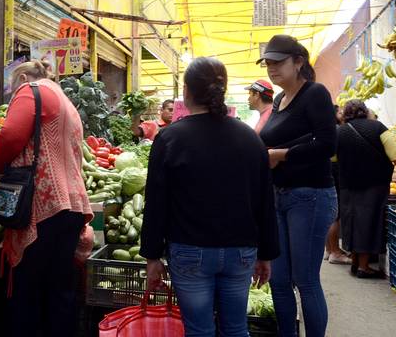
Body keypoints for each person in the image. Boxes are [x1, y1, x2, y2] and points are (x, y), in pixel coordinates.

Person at [141, 57, 279, 336]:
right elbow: (265, 200)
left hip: (190, 251)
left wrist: (152, 256)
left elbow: (156, 202)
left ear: (187, 91)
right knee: (236, 328)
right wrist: (267, 253)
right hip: (241, 251)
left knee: (199, 330)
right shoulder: (250, 139)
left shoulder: (170, 138)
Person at [0, 60, 93, 337]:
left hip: (43, 204)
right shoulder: (65, 100)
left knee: (28, 289)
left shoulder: (31, 89)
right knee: (59, 289)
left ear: (21, 77)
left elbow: (9, 135)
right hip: (72, 203)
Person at [257, 35, 338, 337]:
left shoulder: (315, 93)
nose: (271, 68)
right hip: (278, 197)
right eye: (267, 63)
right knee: (278, 280)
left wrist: (282, 155)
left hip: (311, 196)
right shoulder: (279, 100)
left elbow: (327, 143)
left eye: (277, 62)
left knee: (305, 279)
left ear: (299, 62)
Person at [337, 99, 396, 278]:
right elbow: (395, 153)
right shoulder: (377, 127)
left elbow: (331, 158)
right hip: (374, 184)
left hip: (347, 184)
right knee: (369, 221)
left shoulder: (340, 131)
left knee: (351, 220)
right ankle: (364, 266)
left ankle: (354, 261)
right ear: (365, 110)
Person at [325, 105, 350, 265]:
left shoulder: (326, 128)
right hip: (335, 170)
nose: (342, 114)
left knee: (330, 213)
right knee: (336, 213)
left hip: (328, 169)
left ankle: (329, 250)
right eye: (340, 111)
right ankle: (335, 252)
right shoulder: (336, 130)